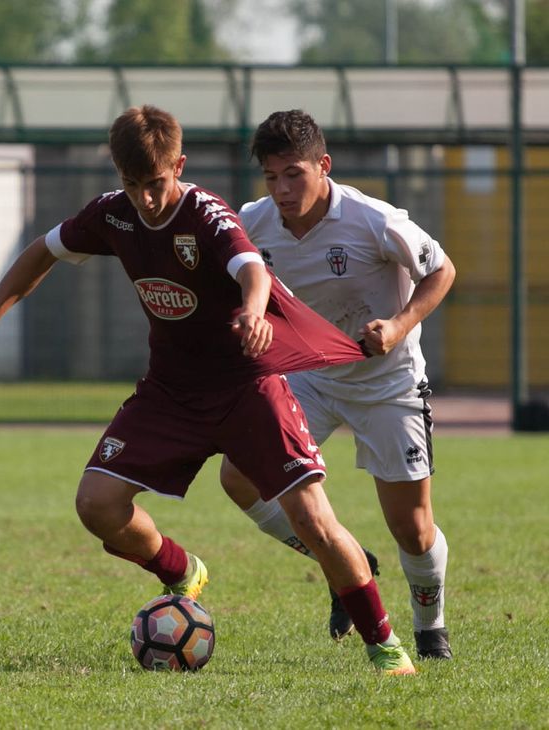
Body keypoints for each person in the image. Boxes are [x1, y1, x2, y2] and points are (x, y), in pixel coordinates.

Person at [0, 105, 417, 675]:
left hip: (247, 388)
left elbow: (252, 269)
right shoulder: (113, 214)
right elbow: (42, 251)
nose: (145, 199)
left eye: (155, 183)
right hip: (170, 393)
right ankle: (181, 571)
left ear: (178, 166)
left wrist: (253, 311)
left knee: (313, 520)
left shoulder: (207, 215)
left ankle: (384, 644)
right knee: (97, 506)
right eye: (132, 185)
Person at [219, 109, 456, 660]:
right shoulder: (252, 222)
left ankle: (430, 629)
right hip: (308, 378)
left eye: (293, 174)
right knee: (239, 478)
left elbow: (442, 270)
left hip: (386, 383)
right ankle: (345, 563)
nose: (281, 190)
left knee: (413, 529)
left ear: (323, 166)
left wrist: (398, 326)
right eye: (271, 177)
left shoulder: (373, 220)